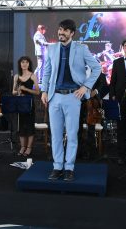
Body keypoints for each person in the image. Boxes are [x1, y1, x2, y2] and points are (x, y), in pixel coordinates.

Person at [41, 19, 101, 181]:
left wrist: (85, 87)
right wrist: (44, 90)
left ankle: (69, 168)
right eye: (60, 29)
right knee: (56, 135)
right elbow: (46, 72)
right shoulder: (51, 49)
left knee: (72, 134)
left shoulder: (82, 49)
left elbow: (97, 68)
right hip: (54, 97)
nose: (61, 33)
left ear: (72, 33)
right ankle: (57, 166)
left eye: (65, 30)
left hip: (73, 97)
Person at [12, 56, 40, 157]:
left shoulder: (33, 76)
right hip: (20, 103)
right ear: (20, 64)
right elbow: (13, 91)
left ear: (29, 64)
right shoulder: (16, 76)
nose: (24, 64)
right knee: (21, 126)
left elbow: (37, 92)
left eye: (26, 62)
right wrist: (18, 91)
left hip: (29, 104)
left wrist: (26, 89)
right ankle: (22, 147)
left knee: (29, 126)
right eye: (22, 62)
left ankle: (29, 148)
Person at [78, 71, 109, 159]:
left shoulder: (99, 72)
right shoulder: (78, 69)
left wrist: (95, 91)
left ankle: (90, 152)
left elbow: (103, 84)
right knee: (78, 128)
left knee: (91, 129)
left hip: (92, 102)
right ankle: (78, 152)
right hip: (78, 100)